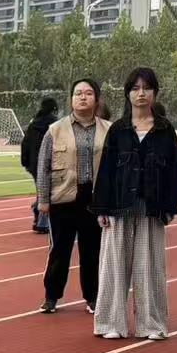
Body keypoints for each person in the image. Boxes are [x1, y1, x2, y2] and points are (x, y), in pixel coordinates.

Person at [92, 69, 177, 341]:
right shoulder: (118, 130)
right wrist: (101, 209)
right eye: (135, 88)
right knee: (113, 266)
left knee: (151, 267)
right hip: (119, 205)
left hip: (151, 207)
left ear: (155, 92)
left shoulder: (165, 131)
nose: (141, 93)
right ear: (128, 93)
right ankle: (110, 322)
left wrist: (170, 207)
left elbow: (175, 171)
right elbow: (106, 171)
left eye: (146, 88)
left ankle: (152, 324)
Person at [34, 81, 107, 314]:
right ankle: (51, 296)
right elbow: (43, 166)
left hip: (94, 199)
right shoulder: (55, 130)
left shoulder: (108, 130)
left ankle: (93, 297)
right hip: (63, 197)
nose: (83, 97)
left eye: (88, 93)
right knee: (59, 251)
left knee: (92, 251)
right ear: (71, 99)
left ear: (96, 99)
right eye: (78, 93)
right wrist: (43, 199)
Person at [21, 96, 58, 234]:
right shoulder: (55, 124)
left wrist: (25, 161)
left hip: (34, 163)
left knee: (41, 190)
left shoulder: (33, 123)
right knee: (51, 192)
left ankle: (39, 216)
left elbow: (25, 143)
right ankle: (43, 221)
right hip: (51, 162)